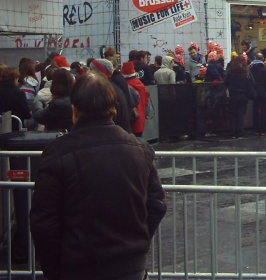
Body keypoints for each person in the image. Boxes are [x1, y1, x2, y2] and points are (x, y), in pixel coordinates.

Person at [30, 73, 166, 280]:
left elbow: (44, 221)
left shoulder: (57, 152)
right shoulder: (140, 149)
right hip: (131, 264)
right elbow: (156, 205)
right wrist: (139, 242)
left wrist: (53, 269)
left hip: (79, 265)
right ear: (113, 107)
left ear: (74, 110)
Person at [89, 59, 133, 133]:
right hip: (122, 133)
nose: (88, 72)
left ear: (98, 72)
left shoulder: (106, 90)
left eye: (91, 70)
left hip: (116, 135)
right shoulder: (117, 84)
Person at [225, 56, 255, 139]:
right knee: (241, 115)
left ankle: (233, 132)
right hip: (243, 96)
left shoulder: (231, 71)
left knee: (233, 115)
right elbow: (250, 83)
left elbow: (226, 81)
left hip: (233, 95)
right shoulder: (245, 72)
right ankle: (240, 132)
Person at [122, 61, 149, 137]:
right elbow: (146, 102)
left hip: (131, 120)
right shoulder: (140, 84)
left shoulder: (126, 86)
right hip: (141, 118)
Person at [248, 53, 266, 136]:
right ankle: (264, 128)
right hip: (263, 91)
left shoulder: (250, 68)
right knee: (263, 110)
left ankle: (256, 128)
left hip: (254, 92)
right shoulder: (264, 68)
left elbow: (248, 79)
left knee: (255, 110)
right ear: (262, 59)